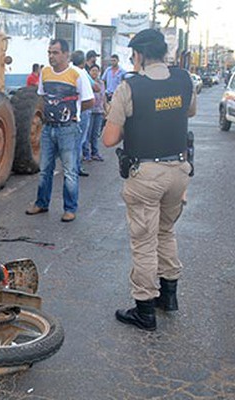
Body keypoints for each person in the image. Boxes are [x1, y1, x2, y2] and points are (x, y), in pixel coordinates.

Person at [102, 29, 196, 331]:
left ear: (139, 55)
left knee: (143, 242)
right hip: (179, 171)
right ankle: (168, 298)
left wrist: (114, 114)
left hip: (146, 176)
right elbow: (189, 110)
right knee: (166, 232)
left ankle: (144, 310)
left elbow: (109, 139)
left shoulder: (130, 87)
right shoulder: (184, 79)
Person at [25, 39, 94, 223]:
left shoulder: (77, 74)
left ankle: (70, 208)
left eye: (55, 52)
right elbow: (42, 97)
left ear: (66, 54)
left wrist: (73, 114)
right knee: (45, 169)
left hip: (68, 130)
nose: (51, 56)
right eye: (49, 52)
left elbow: (89, 101)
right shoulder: (45, 73)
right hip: (48, 128)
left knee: (70, 171)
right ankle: (41, 203)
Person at [71, 50, 100, 178]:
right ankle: (75, 166)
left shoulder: (68, 71)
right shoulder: (82, 73)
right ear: (83, 62)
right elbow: (96, 88)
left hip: (69, 110)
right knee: (80, 140)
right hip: (82, 109)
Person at [84, 64, 106, 162]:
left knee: (95, 134)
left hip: (99, 111)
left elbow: (103, 96)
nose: (95, 73)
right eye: (93, 71)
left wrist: (105, 109)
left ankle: (95, 152)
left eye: (96, 71)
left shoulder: (101, 83)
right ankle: (86, 153)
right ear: (89, 72)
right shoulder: (87, 83)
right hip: (89, 110)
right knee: (87, 133)